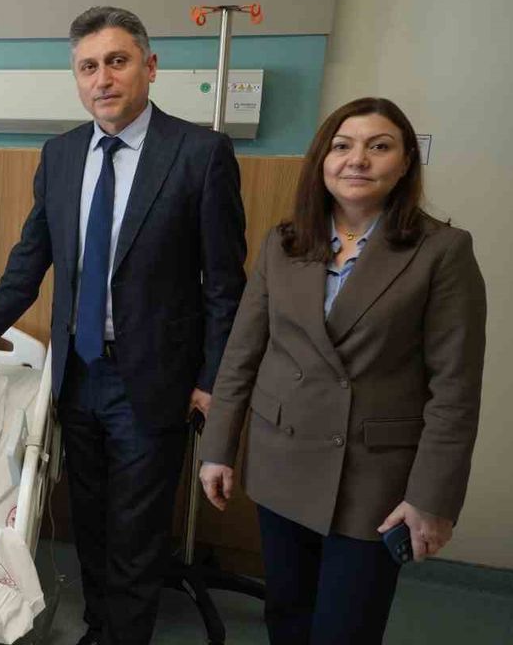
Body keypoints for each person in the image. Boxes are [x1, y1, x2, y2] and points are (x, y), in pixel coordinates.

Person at [0, 6, 247, 645]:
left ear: (149, 67)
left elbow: (224, 284)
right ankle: (101, 627)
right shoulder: (61, 155)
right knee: (92, 521)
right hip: (78, 373)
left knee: (136, 530)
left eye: (117, 61)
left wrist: (213, 377)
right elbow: (31, 256)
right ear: (77, 78)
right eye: (88, 67)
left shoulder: (199, 154)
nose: (102, 79)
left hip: (153, 378)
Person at [198, 97, 487, 644]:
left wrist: (432, 499)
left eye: (379, 146)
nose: (357, 159)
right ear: (322, 161)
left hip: (373, 479)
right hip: (283, 460)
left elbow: (455, 391)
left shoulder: (441, 252)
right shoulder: (285, 243)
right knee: (286, 616)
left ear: (405, 163)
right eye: (342, 146)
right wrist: (218, 448)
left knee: (346, 629)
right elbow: (242, 353)